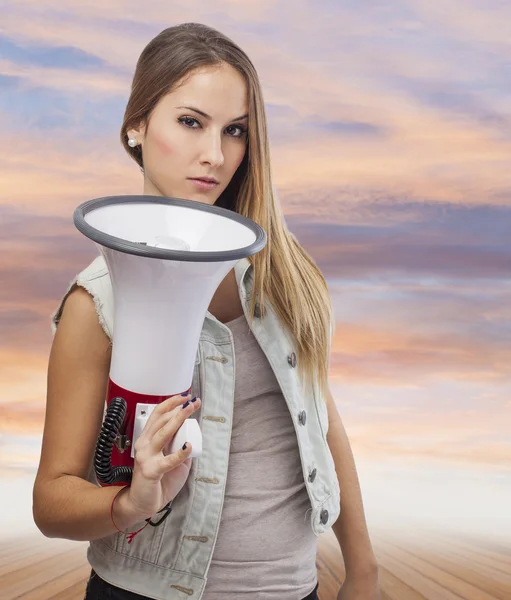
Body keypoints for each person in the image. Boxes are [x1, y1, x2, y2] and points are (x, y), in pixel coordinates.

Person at [32, 22, 379, 600]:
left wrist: (362, 568)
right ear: (136, 126)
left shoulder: (280, 278)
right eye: (191, 122)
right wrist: (129, 502)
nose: (216, 155)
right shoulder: (94, 304)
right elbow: (52, 502)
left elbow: (318, 418)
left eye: (236, 131)